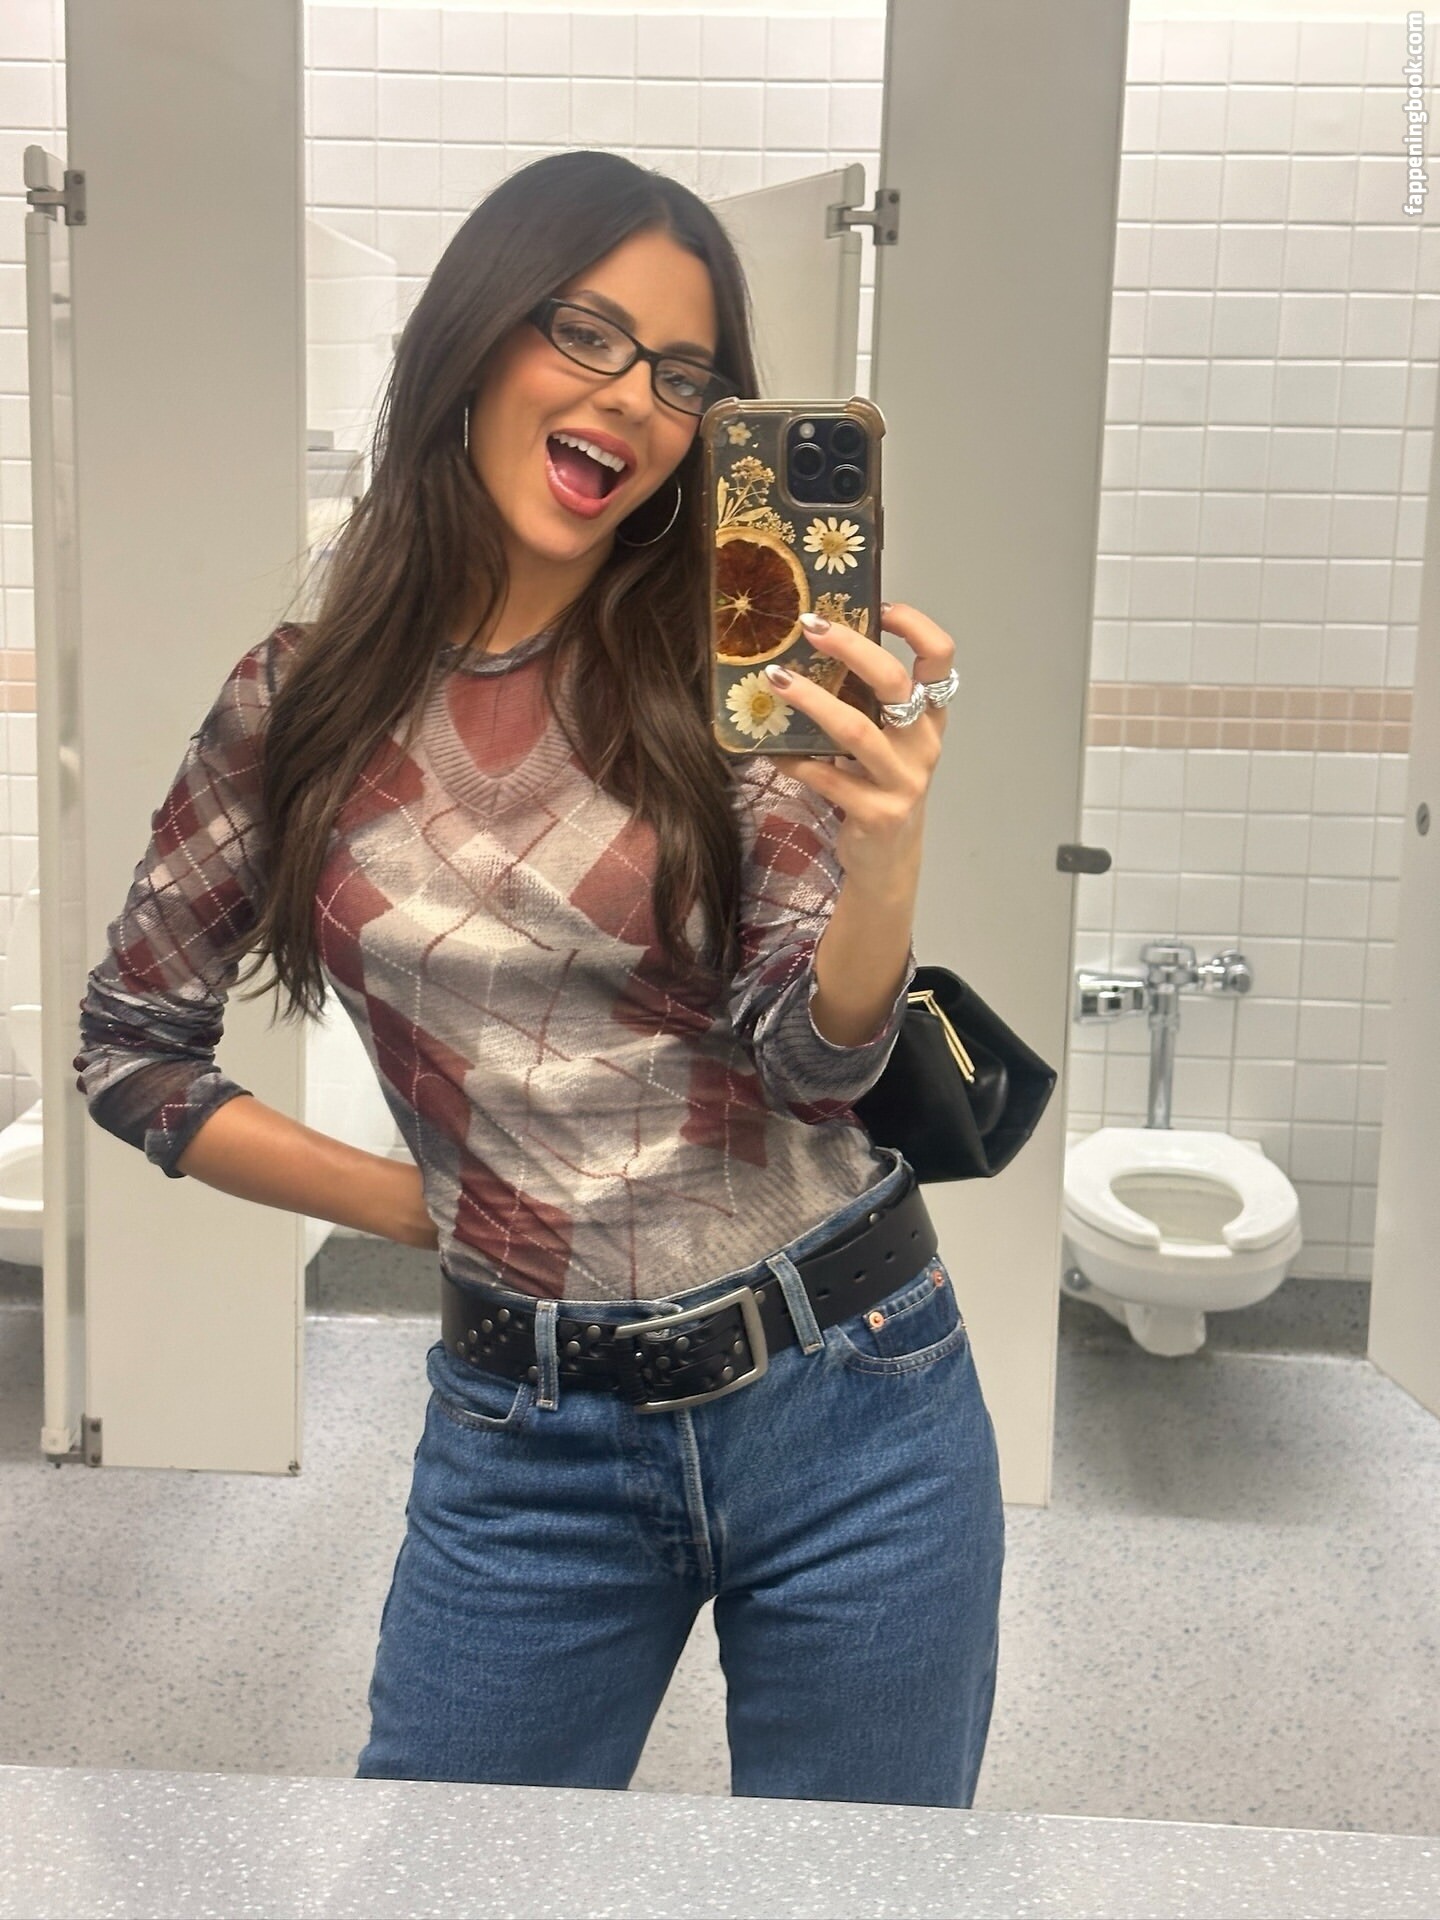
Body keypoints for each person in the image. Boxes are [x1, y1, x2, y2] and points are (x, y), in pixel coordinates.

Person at [72, 150, 1003, 1808]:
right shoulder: (298, 706)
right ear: (475, 337)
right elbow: (132, 1051)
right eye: (585, 332)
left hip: (854, 1393)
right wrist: (416, 1204)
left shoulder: (734, 684)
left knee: (861, 1898)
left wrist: (888, 857)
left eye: (684, 374)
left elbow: (814, 1066)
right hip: (525, 1430)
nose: (632, 397)